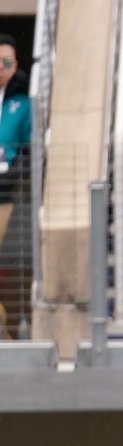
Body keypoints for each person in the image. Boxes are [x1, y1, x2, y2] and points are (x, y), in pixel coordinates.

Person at [0, 35, 31, 339]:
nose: (0, 68)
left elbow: (29, 147)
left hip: (5, 193)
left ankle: (11, 326)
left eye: (6, 62)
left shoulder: (22, 105)